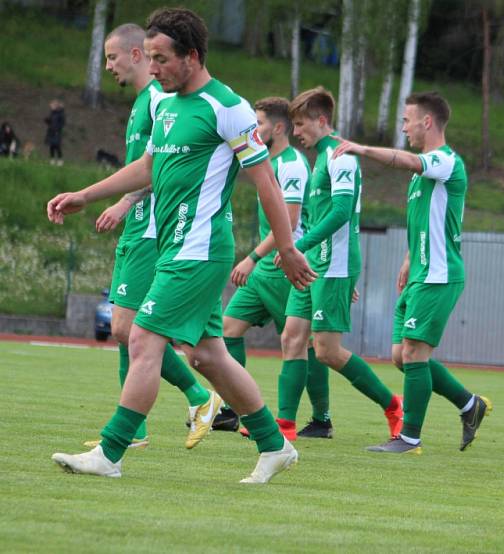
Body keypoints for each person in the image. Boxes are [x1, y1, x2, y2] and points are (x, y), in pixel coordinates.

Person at [47, 7, 315, 484]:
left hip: (200, 250)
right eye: (149, 59)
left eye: (161, 59)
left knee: (144, 337)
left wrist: (287, 248)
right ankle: (275, 445)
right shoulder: (163, 104)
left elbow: (267, 184)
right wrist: (86, 195)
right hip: (175, 247)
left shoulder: (227, 107)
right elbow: (149, 168)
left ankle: (110, 453)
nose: (152, 69)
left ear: (191, 56)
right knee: (208, 354)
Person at [78, 22, 224, 451]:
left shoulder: (163, 101)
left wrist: (125, 202)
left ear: (137, 54)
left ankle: (200, 398)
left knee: (130, 328)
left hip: (155, 228)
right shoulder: (145, 102)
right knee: (132, 329)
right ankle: (137, 430)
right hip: (139, 226)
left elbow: (166, 169)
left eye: (112, 57)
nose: (108, 66)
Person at [332, 91, 491, 454]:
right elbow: (427, 222)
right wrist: (407, 259)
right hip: (420, 272)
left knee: (415, 353)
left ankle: (410, 437)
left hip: (439, 275)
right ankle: (470, 405)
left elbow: (401, 160)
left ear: (427, 121)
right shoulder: (424, 175)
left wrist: (363, 149)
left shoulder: (446, 162)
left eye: (406, 120)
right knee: (401, 356)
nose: (403, 128)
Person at [276, 86, 403, 442]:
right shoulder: (321, 159)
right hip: (316, 263)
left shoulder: (342, 156)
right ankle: (285, 427)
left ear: (321, 121)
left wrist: (295, 246)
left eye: (301, 124)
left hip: (332, 265)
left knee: (327, 351)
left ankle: (394, 405)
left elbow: (342, 213)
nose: (296, 132)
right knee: (292, 337)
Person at [221, 96, 332, 438]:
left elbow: (291, 219)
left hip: (286, 265)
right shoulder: (265, 161)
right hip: (264, 271)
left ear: (278, 128)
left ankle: (321, 418)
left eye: (260, 125)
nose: (255, 130)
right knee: (228, 328)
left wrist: (251, 257)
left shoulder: (292, 164)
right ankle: (233, 410)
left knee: (303, 346)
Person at [45, 99, 65, 166]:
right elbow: (51, 122)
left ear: (55, 106)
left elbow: (62, 123)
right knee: (51, 146)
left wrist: (57, 129)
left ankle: (60, 160)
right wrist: (47, 121)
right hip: (51, 131)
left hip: (56, 132)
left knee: (57, 146)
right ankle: (52, 159)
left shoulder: (60, 113)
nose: (51, 106)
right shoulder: (52, 113)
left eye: (52, 105)